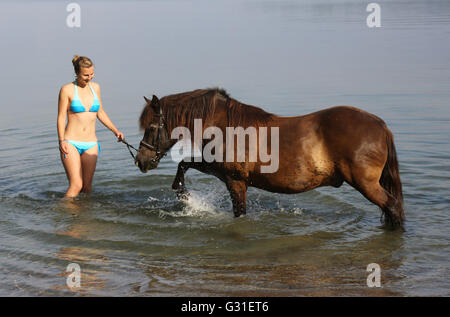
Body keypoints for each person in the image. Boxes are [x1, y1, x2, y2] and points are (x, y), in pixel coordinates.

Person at [57, 55, 124, 197]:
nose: (89, 78)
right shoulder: (67, 90)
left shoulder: (95, 87)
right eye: (85, 75)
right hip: (71, 142)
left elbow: (100, 112)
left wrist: (115, 130)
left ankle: (84, 217)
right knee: (76, 185)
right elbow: (61, 117)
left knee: (87, 188)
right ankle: (60, 215)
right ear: (76, 73)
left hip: (91, 143)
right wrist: (61, 140)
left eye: (92, 74)